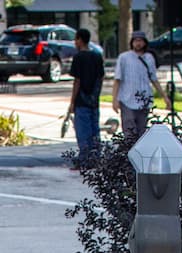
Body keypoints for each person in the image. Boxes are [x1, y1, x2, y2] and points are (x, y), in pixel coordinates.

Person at [110, 30, 172, 140]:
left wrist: (165, 97)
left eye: (140, 41)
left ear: (144, 43)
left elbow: (154, 79)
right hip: (127, 98)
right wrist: (114, 99)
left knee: (142, 132)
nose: (138, 43)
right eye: (136, 41)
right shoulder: (124, 57)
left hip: (144, 99)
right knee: (129, 130)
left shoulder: (149, 58)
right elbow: (117, 80)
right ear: (132, 42)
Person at [67, 28, 105, 163]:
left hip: (81, 99)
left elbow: (77, 81)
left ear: (79, 40)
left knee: (83, 130)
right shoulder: (97, 55)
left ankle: (85, 158)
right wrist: (96, 95)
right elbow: (101, 77)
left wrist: (72, 102)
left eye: (76, 39)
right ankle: (96, 156)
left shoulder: (78, 57)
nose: (75, 42)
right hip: (94, 99)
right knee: (95, 128)